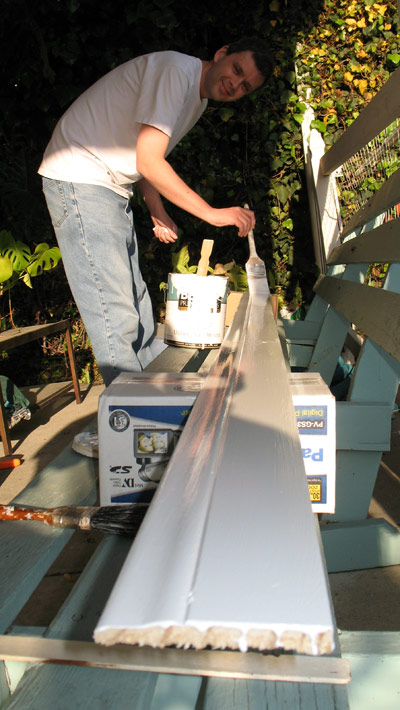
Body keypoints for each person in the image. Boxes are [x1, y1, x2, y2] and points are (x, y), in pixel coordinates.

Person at [38, 38, 270, 385]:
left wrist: (157, 209)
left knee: (140, 308)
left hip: (107, 186)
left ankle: (157, 399)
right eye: (237, 70)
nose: (235, 84)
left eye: (245, 86)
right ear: (221, 54)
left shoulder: (196, 98)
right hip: (81, 176)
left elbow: (145, 155)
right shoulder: (178, 72)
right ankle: (131, 418)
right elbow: (149, 159)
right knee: (114, 312)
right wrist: (211, 212)